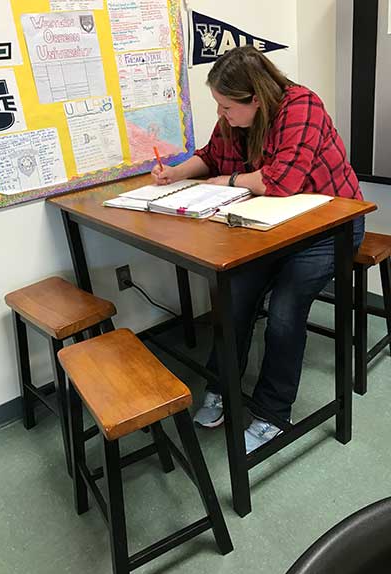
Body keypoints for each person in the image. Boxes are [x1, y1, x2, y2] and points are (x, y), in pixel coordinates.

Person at [151, 45, 364, 453]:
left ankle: (271, 413)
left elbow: (280, 182)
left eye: (227, 107)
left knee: (285, 309)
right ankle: (223, 388)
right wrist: (176, 173)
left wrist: (225, 184)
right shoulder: (233, 119)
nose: (221, 115)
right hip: (272, 227)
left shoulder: (302, 107)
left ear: (256, 99)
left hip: (331, 227)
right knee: (234, 294)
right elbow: (211, 158)